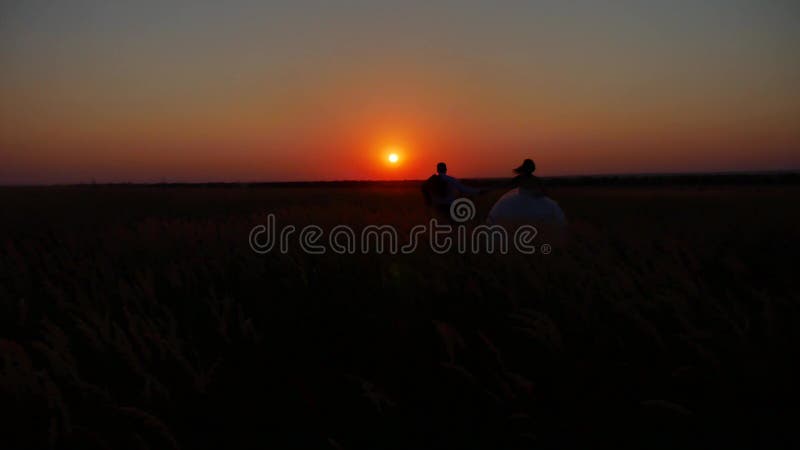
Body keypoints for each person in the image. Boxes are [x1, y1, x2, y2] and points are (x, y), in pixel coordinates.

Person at [487, 158, 566, 226]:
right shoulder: (522, 179)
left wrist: (540, 194)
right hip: (521, 201)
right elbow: (506, 184)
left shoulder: (534, 179)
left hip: (533, 200)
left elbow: (544, 191)